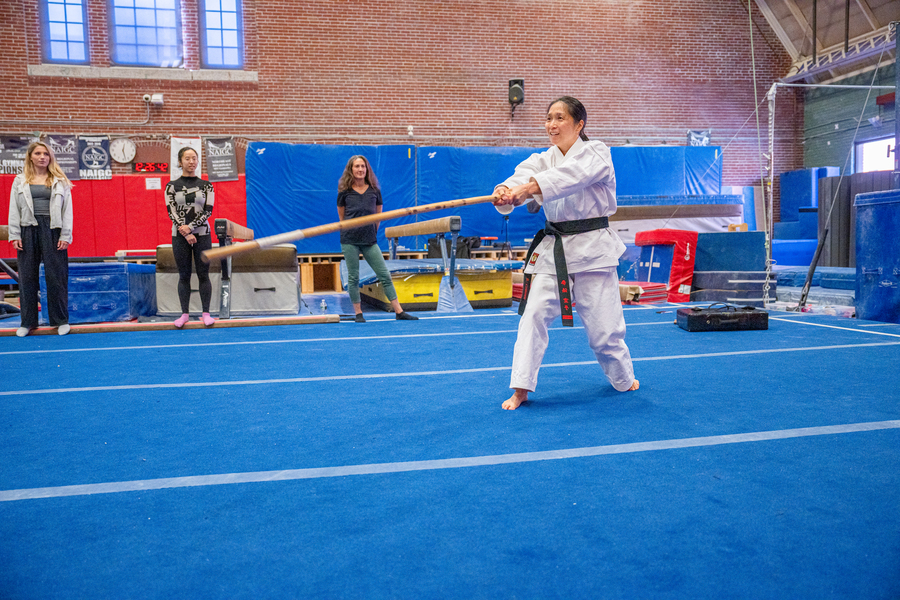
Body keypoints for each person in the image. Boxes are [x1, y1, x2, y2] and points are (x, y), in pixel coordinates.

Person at [493, 96, 639, 410]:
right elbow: (520, 181)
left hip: (593, 250)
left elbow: (572, 176)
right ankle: (520, 387)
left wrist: (529, 188)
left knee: (603, 332)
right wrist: (505, 192)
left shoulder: (596, 152)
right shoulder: (541, 160)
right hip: (553, 250)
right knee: (532, 315)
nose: (552, 125)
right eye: (548, 118)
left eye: (559, 118)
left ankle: (623, 376)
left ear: (579, 124)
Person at [337, 155, 417, 323]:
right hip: (349, 239)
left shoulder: (374, 191)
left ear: (367, 170)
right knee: (353, 277)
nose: (360, 169)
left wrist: (371, 232)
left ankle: (399, 311)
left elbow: (378, 215)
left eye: (363, 166)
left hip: (369, 240)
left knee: (384, 274)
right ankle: (358, 313)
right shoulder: (344, 191)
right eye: (357, 166)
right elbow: (342, 217)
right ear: (351, 169)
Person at [8, 141, 73, 337]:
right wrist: (14, 234)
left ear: (50, 157)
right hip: (28, 229)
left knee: (56, 277)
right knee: (27, 277)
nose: (42, 157)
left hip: (53, 230)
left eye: (46, 153)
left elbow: (67, 210)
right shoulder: (20, 180)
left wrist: (65, 235)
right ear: (30, 157)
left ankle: (60, 320)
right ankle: (27, 322)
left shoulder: (59, 180)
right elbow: (14, 209)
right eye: (38, 153)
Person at [165, 147, 215, 328]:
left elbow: (208, 211)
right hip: (179, 235)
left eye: (194, 158)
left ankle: (206, 313)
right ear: (180, 162)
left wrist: (192, 228)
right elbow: (171, 211)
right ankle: (184, 314)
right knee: (184, 275)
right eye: (187, 158)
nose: (191, 162)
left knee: (203, 274)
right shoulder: (171, 186)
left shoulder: (207, 185)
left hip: (202, 234)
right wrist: (185, 232)